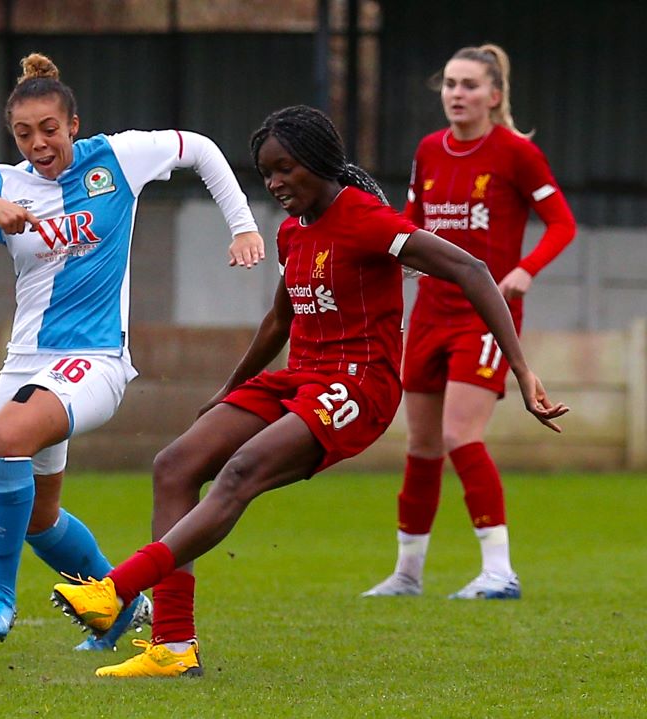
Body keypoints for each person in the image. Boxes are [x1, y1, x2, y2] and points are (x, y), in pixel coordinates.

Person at [51, 105, 568, 677]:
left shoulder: (368, 220)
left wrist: (521, 370)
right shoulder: (292, 231)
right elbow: (279, 321)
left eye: (285, 169)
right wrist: (229, 391)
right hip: (300, 377)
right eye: (266, 174)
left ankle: (115, 589)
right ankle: (173, 648)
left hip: (359, 384)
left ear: (320, 163)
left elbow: (470, 268)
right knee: (175, 464)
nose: (275, 183)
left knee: (240, 472)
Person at [0, 52, 267, 648]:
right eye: (24, 134)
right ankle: (119, 608)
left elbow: (201, 147)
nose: (38, 144)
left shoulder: (117, 159)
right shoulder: (4, 186)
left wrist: (243, 225)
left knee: (3, 440)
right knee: (37, 519)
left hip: (96, 360)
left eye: (49, 129)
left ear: (73, 124)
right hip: (24, 362)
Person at [362, 43, 577, 600]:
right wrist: (392, 255)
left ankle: (500, 572)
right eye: (451, 84)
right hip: (430, 311)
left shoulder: (516, 154)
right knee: (422, 444)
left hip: (486, 315)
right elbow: (413, 221)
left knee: (461, 434)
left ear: (494, 96)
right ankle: (408, 573)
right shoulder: (430, 150)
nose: (457, 94)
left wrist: (526, 270)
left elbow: (562, 224)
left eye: (470, 85)